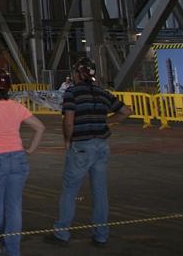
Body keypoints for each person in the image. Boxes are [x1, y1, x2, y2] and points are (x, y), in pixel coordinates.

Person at [43, 57, 131, 248]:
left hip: (81, 146)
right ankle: (101, 235)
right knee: (100, 192)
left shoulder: (72, 93)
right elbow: (125, 111)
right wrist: (107, 122)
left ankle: (62, 232)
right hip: (101, 145)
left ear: (77, 74)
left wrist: (67, 140)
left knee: (70, 190)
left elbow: (68, 120)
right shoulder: (102, 92)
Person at [0, 69, 46, 256]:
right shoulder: (17, 106)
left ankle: (7, 248)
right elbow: (40, 127)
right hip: (18, 158)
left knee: (0, 205)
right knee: (13, 206)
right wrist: (30, 149)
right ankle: (11, 249)